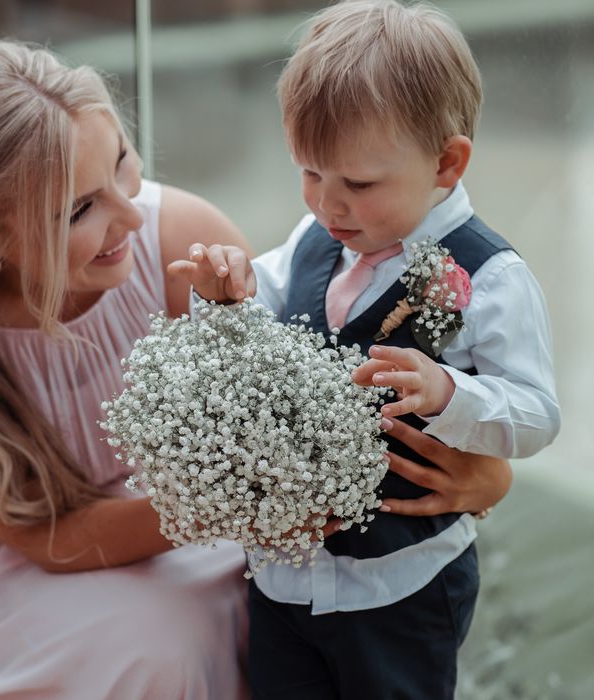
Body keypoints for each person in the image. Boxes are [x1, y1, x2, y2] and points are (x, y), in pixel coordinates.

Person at [0, 37, 512, 700]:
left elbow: (315, 406)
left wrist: (481, 468)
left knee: (301, 615)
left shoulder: (176, 238)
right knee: (162, 650)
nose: (133, 213)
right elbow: (44, 537)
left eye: (122, 165)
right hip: (22, 556)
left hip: (200, 521)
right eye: (79, 209)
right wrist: (247, 504)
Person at [180, 1, 560, 698]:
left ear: (446, 162)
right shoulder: (313, 236)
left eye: (358, 183)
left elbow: (537, 415)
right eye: (310, 174)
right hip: (286, 577)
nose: (329, 206)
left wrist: (451, 395)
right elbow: (260, 310)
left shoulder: (490, 278)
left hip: (403, 586)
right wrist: (224, 295)